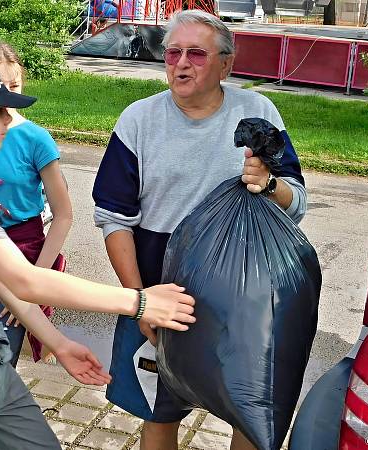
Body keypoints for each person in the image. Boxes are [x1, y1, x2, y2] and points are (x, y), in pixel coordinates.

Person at [0, 60, 196, 450]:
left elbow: (0, 279)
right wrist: (139, 302)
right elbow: (27, 280)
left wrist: (58, 342)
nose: (10, 118)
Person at [92, 10, 308, 450]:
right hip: (162, 290)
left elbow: (297, 203)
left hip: (243, 297)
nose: (181, 63)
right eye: (173, 53)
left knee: (248, 412)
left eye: (196, 53)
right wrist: (140, 304)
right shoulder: (139, 120)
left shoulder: (258, 112)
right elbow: (114, 219)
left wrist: (269, 186)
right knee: (160, 412)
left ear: (226, 64)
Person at [0, 41, 72, 367]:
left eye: (15, 85)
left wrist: (34, 282)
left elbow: (64, 215)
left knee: (1, 366)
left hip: (21, 257)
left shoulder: (35, 139)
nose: (9, 95)